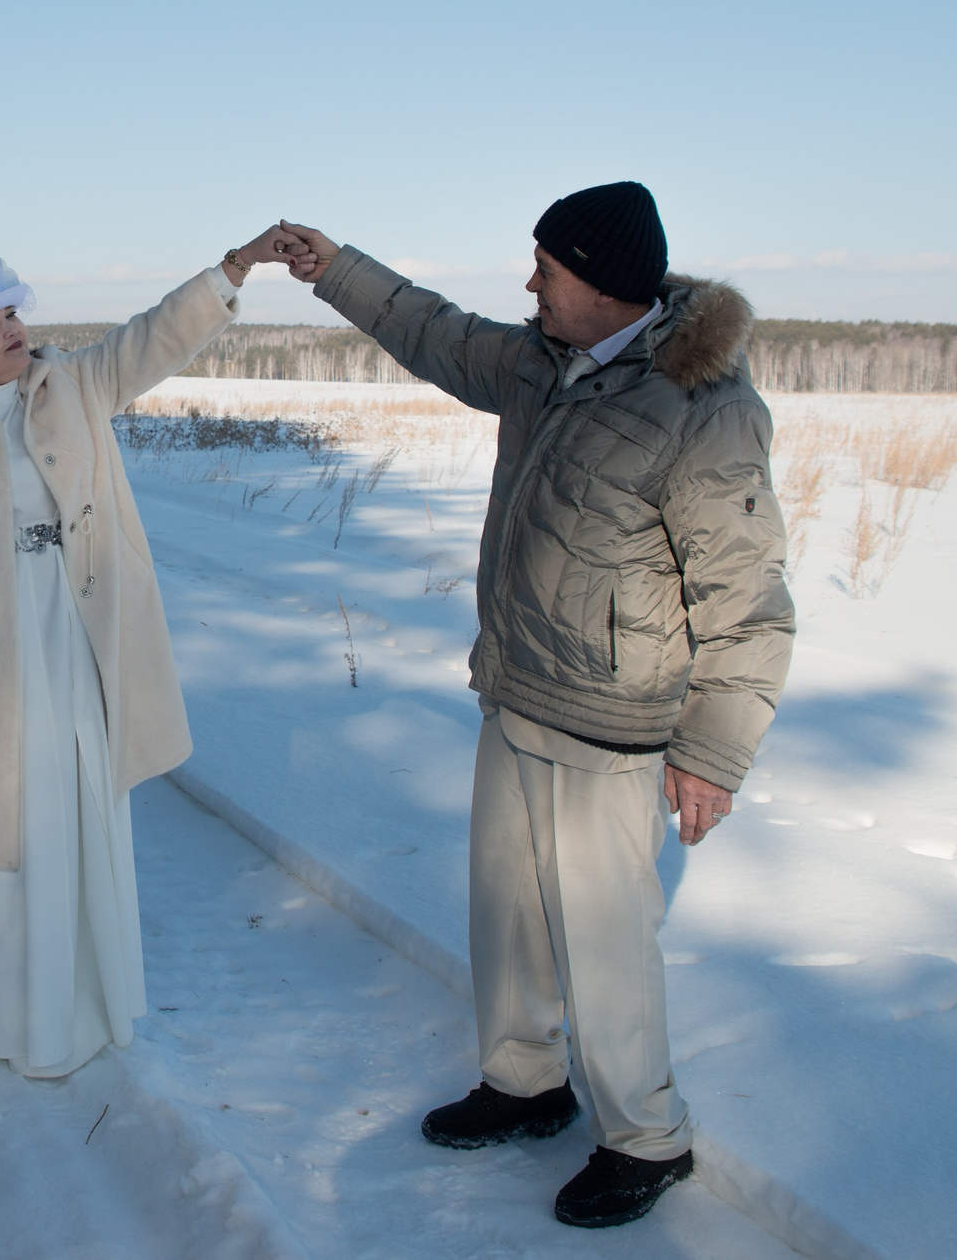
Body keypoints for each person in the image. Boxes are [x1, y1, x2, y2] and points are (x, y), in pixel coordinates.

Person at [276, 183, 794, 1230]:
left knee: (604, 938)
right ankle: (524, 1081)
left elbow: (747, 603)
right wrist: (333, 267)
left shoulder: (702, 410)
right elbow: (434, 330)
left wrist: (714, 750)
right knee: (505, 910)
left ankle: (646, 1134)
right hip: (515, 692)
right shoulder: (541, 364)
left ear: (603, 284)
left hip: (611, 727)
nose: (529, 284)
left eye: (546, 269)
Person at [0, 229, 296, 1077]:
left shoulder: (69, 384)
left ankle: (78, 1007)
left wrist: (233, 268)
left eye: (11, 314)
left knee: (72, 798)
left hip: (73, 633)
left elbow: (152, 337)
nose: (12, 331)